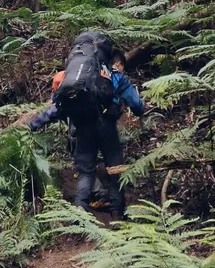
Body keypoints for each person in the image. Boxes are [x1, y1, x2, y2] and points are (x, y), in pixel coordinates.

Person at [29, 46, 145, 219]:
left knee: (86, 172)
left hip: (82, 128)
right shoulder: (115, 76)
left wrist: (33, 124)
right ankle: (118, 216)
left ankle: (80, 214)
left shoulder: (83, 78)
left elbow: (56, 110)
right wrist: (139, 110)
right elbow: (136, 105)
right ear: (118, 63)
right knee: (114, 169)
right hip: (107, 127)